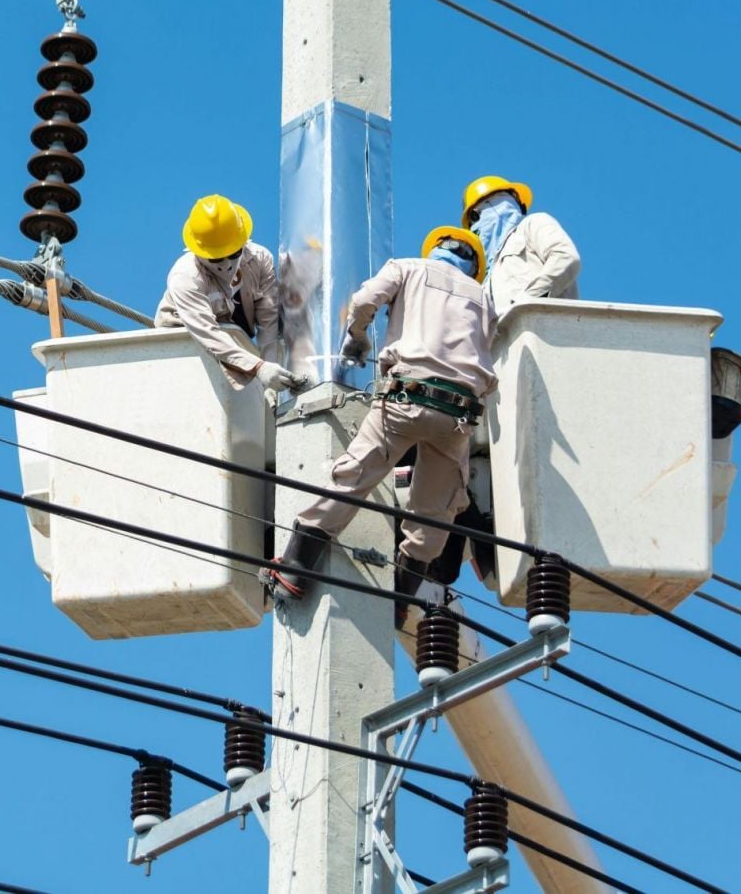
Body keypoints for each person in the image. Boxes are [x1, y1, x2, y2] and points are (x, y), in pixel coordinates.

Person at [266, 226, 496, 600]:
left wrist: (357, 336)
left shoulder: (407, 268)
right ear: (475, 267)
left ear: (434, 249)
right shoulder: (483, 299)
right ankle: (403, 599)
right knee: (434, 514)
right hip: (457, 414)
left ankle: (295, 567)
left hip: (406, 397)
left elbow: (363, 301)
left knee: (354, 477)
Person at [155, 195, 307, 394]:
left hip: (234, 341)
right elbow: (206, 332)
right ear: (199, 252)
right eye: (216, 259)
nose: (227, 264)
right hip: (185, 342)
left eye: (234, 253)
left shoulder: (259, 260)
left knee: (285, 323)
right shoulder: (185, 277)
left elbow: (268, 321)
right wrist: (258, 367)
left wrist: (270, 374)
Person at [461, 175, 580, 316]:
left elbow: (566, 258)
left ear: (498, 204)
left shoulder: (532, 224)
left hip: (552, 329)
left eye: (474, 218)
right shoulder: (487, 278)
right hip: (516, 336)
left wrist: (528, 301)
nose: (474, 229)